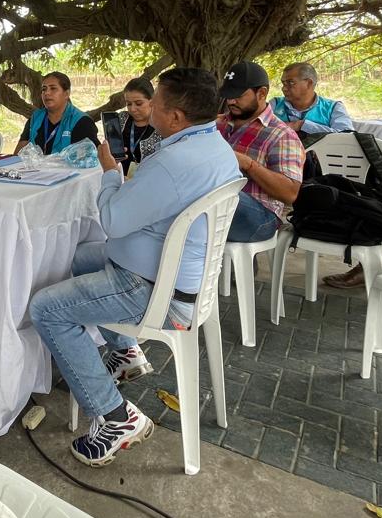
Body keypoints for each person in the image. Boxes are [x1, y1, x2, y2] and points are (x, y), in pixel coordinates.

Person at [29, 69, 240, 466]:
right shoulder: (214, 145)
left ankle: (115, 417)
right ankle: (124, 351)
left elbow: (112, 220)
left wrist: (110, 173)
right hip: (175, 274)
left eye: (155, 102)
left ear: (174, 116)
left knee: (46, 308)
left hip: (154, 288)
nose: (146, 108)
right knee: (76, 258)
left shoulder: (172, 162)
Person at [217, 61, 305, 242]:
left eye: (238, 96)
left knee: (220, 196)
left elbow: (290, 194)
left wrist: (248, 164)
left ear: (262, 93)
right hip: (216, 207)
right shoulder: (217, 124)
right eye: (228, 95)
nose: (231, 101)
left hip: (260, 217)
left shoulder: (281, 135)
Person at [15, 72, 99, 155]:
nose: (47, 93)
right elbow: (18, 154)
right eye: (44, 89)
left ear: (66, 94)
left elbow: (91, 158)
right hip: (35, 164)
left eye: (53, 88)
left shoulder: (82, 122)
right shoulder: (35, 118)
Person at [270, 62, 354, 134]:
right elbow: (262, 129)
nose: (284, 88)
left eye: (291, 82)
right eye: (283, 83)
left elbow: (346, 136)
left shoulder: (333, 108)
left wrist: (302, 125)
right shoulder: (275, 104)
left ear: (309, 83)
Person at [116, 77, 162, 175]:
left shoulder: (161, 125)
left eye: (138, 103)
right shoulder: (121, 119)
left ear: (152, 101)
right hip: (120, 177)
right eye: (129, 104)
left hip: (150, 178)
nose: (132, 109)